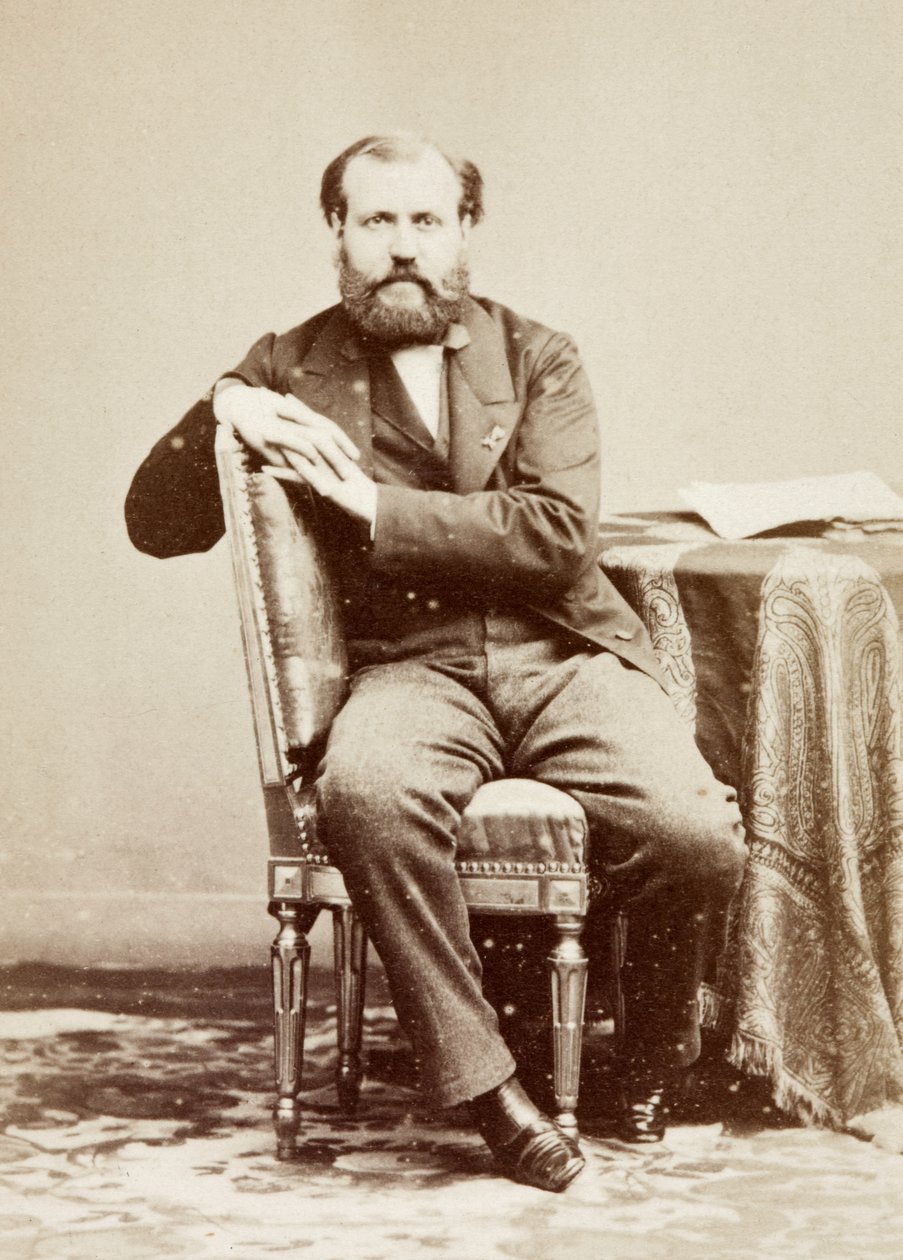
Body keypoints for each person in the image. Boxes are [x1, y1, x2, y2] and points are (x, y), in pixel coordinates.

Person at [126, 133, 747, 1193]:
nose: (403, 248)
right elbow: (155, 524)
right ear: (338, 232)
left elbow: (556, 535)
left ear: (464, 232)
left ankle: (647, 1059)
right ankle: (490, 1090)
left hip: (560, 649)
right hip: (408, 667)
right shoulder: (289, 364)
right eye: (378, 221)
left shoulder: (540, 354)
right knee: (366, 794)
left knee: (693, 831)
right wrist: (224, 402)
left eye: (426, 221)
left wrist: (372, 505)